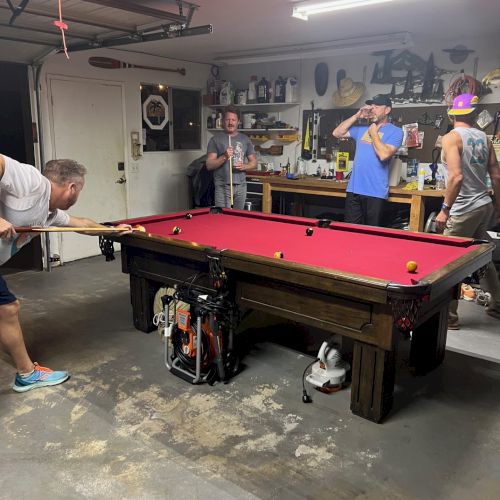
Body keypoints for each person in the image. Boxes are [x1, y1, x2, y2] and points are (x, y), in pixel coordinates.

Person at [0, 154, 131, 392]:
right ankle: (27, 374)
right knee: (7, 308)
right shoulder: (31, 182)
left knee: (6, 309)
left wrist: (111, 231)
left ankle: (26, 373)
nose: (77, 197)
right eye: (79, 191)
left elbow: (80, 224)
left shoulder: (48, 212)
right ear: (72, 187)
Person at [435, 93, 500, 328]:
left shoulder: (451, 137)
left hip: (463, 209)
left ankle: (449, 317)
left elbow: (456, 176)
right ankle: (498, 304)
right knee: (483, 258)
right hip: (484, 206)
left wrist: (444, 209)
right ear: (473, 114)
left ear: (452, 113)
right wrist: (499, 208)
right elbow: (496, 175)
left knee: (447, 263)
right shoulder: (484, 137)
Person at [332, 95, 403, 226]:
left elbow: (384, 154)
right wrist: (356, 116)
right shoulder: (361, 129)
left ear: (387, 110)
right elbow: (337, 133)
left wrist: (374, 133)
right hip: (354, 190)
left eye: (376, 107)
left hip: (375, 192)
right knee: (350, 233)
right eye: (371, 107)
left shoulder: (396, 132)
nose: (372, 110)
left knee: (372, 236)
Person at [206, 106, 257, 209]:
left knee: (237, 219)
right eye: (227, 119)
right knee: (223, 218)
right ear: (223, 121)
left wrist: (245, 166)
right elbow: (209, 165)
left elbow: (254, 163)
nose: (230, 122)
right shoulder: (215, 139)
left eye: (233, 120)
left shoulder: (245, 139)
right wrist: (224, 156)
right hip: (223, 185)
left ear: (238, 121)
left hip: (241, 186)